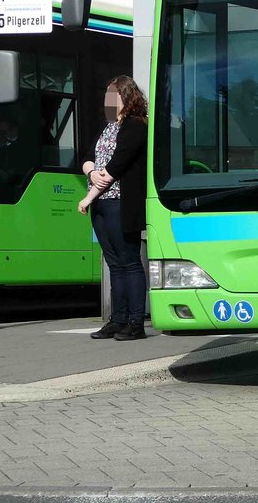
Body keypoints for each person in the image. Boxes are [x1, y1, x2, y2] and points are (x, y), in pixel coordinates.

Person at [79, 76, 149, 341]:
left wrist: (88, 196)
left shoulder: (136, 126)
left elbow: (117, 166)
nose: (108, 100)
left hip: (121, 203)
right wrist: (92, 171)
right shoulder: (108, 126)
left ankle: (135, 322)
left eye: (113, 95)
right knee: (114, 264)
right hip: (102, 205)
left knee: (130, 262)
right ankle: (117, 320)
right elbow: (86, 157)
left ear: (127, 97)